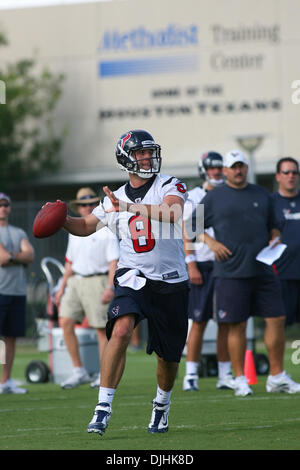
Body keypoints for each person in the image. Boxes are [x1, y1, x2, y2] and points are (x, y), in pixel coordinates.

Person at [53, 130, 189, 435]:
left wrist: (125, 207)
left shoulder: (169, 183)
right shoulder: (114, 198)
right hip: (133, 276)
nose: (147, 157)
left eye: (149, 152)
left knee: (168, 357)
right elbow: (86, 225)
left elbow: (172, 211)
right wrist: (61, 219)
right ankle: (102, 407)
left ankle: (161, 404)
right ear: (125, 159)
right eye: (140, 153)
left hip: (170, 281)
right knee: (122, 328)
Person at [195, 150, 300, 397]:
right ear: (226, 170)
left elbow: (275, 225)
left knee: (277, 319)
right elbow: (191, 225)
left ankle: (276, 377)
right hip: (230, 272)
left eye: (241, 166)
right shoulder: (213, 197)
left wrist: (275, 238)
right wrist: (210, 243)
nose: (238, 170)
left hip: (264, 268)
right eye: (234, 167)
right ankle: (240, 378)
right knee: (237, 325)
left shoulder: (262, 194)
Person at [54, 187, 119, 389]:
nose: (87, 207)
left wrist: (110, 286)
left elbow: (113, 261)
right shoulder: (75, 230)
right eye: (83, 204)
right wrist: (61, 286)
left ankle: (103, 373)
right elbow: (69, 262)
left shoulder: (104, 227)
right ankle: (78, 370)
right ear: (79, 207)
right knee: (65, 321)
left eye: (91, 203)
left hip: (97, 280)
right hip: (76, 280)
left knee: (101, 329)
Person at [182, 152, 235, 392]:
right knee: (199, 321)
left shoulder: (231, 194)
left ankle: (225, 373)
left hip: (227, 264)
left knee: (226, 321)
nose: (215, 172)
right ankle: (191, 374)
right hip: (202, 263)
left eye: (218, 168)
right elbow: (186, 231)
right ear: (203, 170)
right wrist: (190, 263)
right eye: (211, 168)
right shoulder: (193, 197)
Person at [0, 192, 34, 394]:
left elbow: (30, 255)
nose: (3, 207)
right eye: (0, 204)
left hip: (17, 291)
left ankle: (6, 381)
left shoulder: (18, 231)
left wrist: (11, 256)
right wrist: (18, 257)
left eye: (6, 204)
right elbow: (1, 258)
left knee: (11, 338)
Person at [272, 157, 300, 326]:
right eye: (286, 172)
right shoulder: (269, 203)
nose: (291, 176)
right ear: (278, 176)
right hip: (281, 275)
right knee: (279, 325)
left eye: (294, 172)